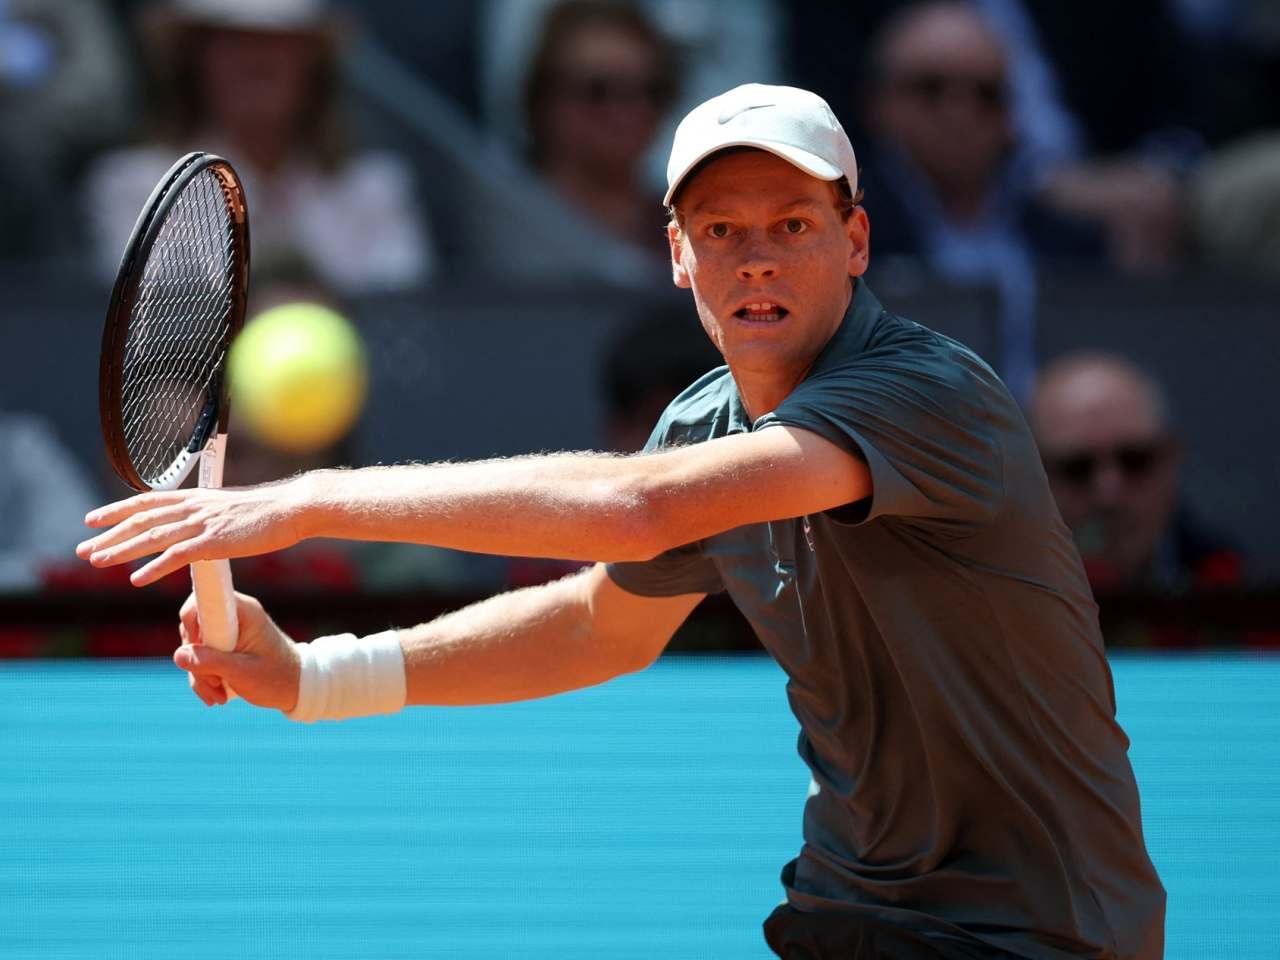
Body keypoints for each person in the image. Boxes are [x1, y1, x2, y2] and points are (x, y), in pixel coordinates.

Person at [78, 84, 1164, 959]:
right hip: (854, 907)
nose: (756, 257)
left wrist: (308, 499)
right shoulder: (701, 424)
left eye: (793, 224)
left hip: (1042, 928)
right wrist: (316, 677)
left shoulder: (931, 392)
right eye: (721, 230)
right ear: (680, 256)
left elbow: (636, 511)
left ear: (856, 240)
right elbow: (602, 625)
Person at [83, 0, 433, 295]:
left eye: (278, 41)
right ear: (194, 59)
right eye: (232, 41)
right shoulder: (137, 189)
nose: (257, 62)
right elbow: (151, 329)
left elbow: (400, 323)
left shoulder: (375, 189)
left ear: (312, 62)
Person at [857, 0, 1100, 401]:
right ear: (878, 102)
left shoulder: (1070, 240)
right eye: (932, 89)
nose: (960, 113)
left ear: (1012, 114)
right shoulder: (837, 228)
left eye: (986, 94)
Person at [1030, 351, 1244, 593]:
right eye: (1076, 468)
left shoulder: (1238, 593)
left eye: (1135, 461)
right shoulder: (1002, 600)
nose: (1108, 494)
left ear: (1171, 460)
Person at [522, 0, 678, 259]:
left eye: (651, 89)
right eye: (598, 90)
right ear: (545, 101)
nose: (629, 110)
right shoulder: (500, 226)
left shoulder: (691, 228)